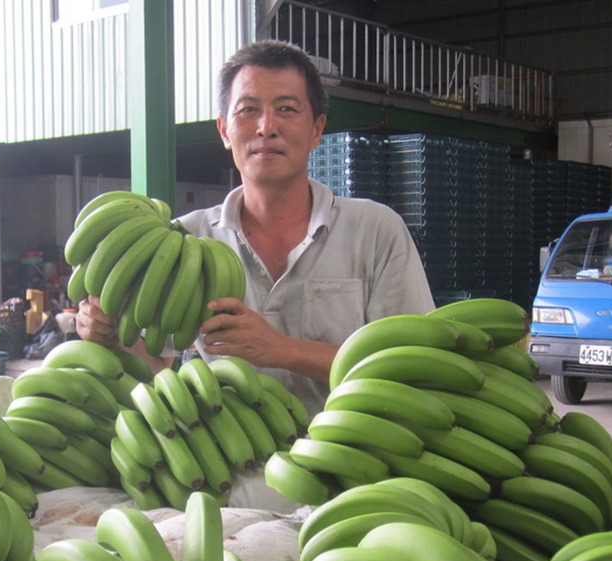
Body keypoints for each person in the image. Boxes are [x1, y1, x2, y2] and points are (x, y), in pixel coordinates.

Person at [76, 39, 434, 418]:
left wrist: (281, 349)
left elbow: (414, 365)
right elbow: (157, 368)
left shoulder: (375, 231)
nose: (266, 127)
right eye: (248, 110)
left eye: (286, 109)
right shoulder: (186, 241)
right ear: (225, 131)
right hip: (227, 464)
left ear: (316, 130)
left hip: (358, 462)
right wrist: (115, 337)